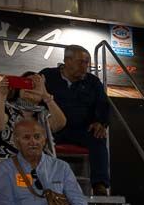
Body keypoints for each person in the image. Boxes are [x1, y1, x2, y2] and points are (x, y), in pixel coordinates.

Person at [0, 118, 88, 205]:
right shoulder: (5, 168)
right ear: (17, 142)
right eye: (26, 138)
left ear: (44, 140)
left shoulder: (61, 166)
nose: (33, 142)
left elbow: (79, 201)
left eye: (37, 137)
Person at [41, 45, 111, 194]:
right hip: (52, 129)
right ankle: (40, 182)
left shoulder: (93, 82)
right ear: (67, 61)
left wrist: (101, 122)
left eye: (87, 63)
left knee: (98, 138)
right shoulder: (47, 76)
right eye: (81, 62)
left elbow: (103, 105)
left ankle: (100, 185)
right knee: (36, 138)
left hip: (82, 130)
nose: (85, 66)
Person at [0, 71, 66, 158]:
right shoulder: (8, 108)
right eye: (26, 83)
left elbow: (60, 124)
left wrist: (46, 96)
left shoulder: (44, 114)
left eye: (35, 85)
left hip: (38, 163)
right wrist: (2, 94)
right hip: (8, 160)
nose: (30, 88)